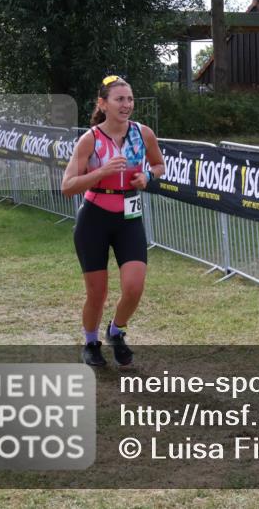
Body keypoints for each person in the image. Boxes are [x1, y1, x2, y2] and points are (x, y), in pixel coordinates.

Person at [61, 76, 165, 367]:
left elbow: (159, 164)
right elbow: (67, 186)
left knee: (134, 286)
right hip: (94, 218)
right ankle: (91, 342)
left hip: (129, 217)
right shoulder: (90, 139)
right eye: (120, 99)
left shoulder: (143, 134)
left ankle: (116, 331)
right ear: (102, 104)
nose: (127, 105)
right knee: (97, 292)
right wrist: (102, 171)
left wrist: (148, 176)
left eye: (130, 99)